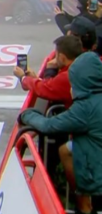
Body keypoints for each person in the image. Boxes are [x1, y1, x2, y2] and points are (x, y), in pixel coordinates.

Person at [19, 51, 102, 214]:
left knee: (75, 152)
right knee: (67, 150)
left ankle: (85, 205)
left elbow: (48, 125)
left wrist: (28, 114)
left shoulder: (85, 108)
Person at [14, 35, 82, 109]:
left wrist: (23, 77)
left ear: (62, 58)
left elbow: (44, 89)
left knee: (28, 115)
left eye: (56, 55)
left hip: (75, 115)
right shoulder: (85, 64)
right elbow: (51, 86)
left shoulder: (67, 76)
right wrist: (35, 78)